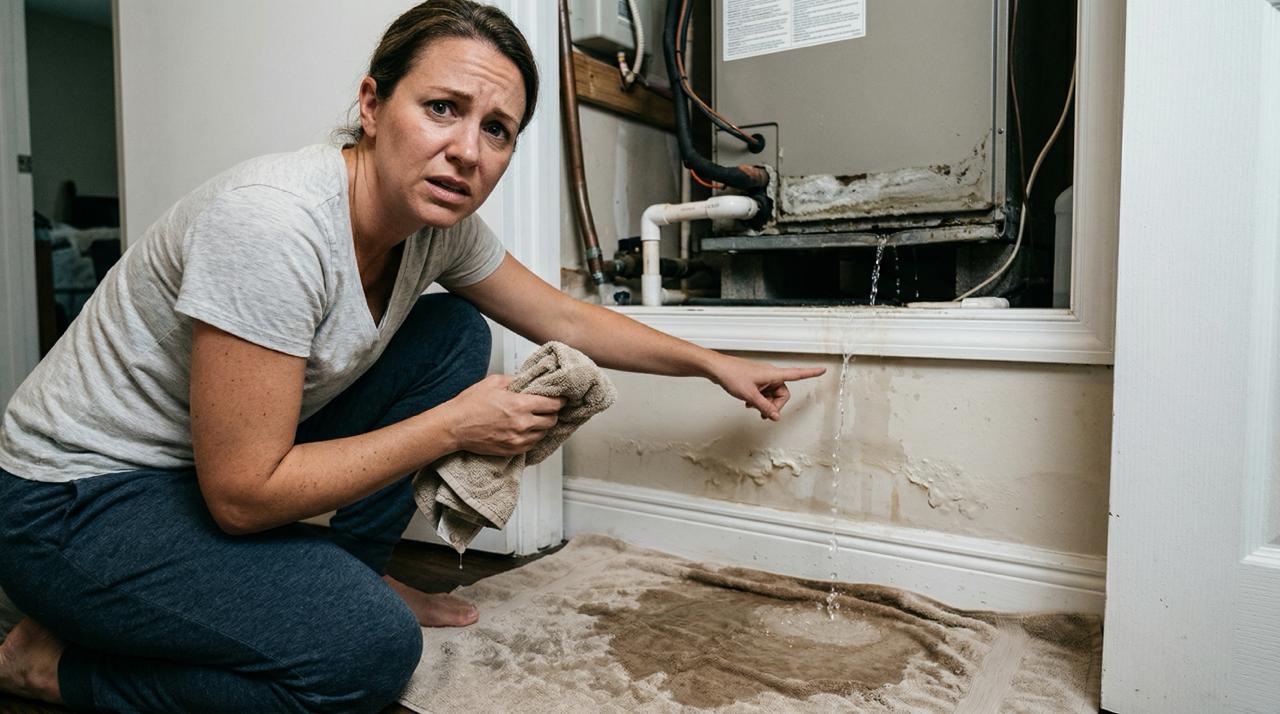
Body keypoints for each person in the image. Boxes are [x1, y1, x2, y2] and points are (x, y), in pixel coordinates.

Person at [0, 1, 825, 711]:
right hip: (70, 504)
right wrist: (452, 425)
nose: (467, 150)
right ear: (371, 103)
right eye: (441, 108)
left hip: (184, 478)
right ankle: (58, 667)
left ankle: (358, 568)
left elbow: (562, 318)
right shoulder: (274, 225)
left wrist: (714, 362)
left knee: (453, 334)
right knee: (363, 654)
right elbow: (244, 498)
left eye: (495, 129)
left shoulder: (441, 232)